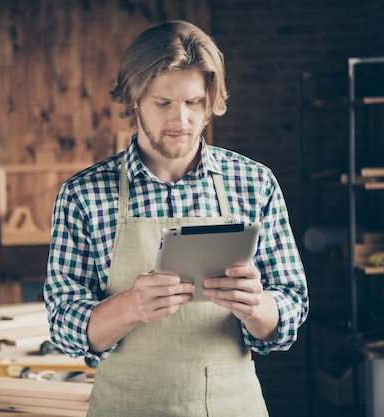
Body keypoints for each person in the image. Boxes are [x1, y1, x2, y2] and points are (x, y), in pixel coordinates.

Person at [44, 20, 308, 417]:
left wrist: (257, 306)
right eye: (163, 103)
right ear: (134, 100)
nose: (181, 121)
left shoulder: (255, 183)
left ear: (209, 100)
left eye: (193, 103)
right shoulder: (82, 196)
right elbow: (63, 324)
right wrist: (130, 307)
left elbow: (291, 305)